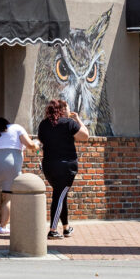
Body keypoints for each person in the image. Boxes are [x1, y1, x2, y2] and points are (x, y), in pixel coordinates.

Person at [36, 99, 89, 239]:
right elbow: (85, 136)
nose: (69, 111)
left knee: (61, 195)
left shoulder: (43, 124)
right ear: (62, 109)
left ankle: (66, 228)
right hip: (66, 167)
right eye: (67, 108)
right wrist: (78, 119)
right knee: (58, 196)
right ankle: (53, 230)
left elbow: (41, 140)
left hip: (48, 166)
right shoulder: (69, 123)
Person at [0, 116, 40, 234]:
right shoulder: (17, 128)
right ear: (7, 123)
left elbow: (7, 146)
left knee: (6, 196)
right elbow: (30, 145)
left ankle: (6, 223)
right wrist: (36, 145)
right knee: (8, 198)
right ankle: (3, 227)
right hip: (9, 165)